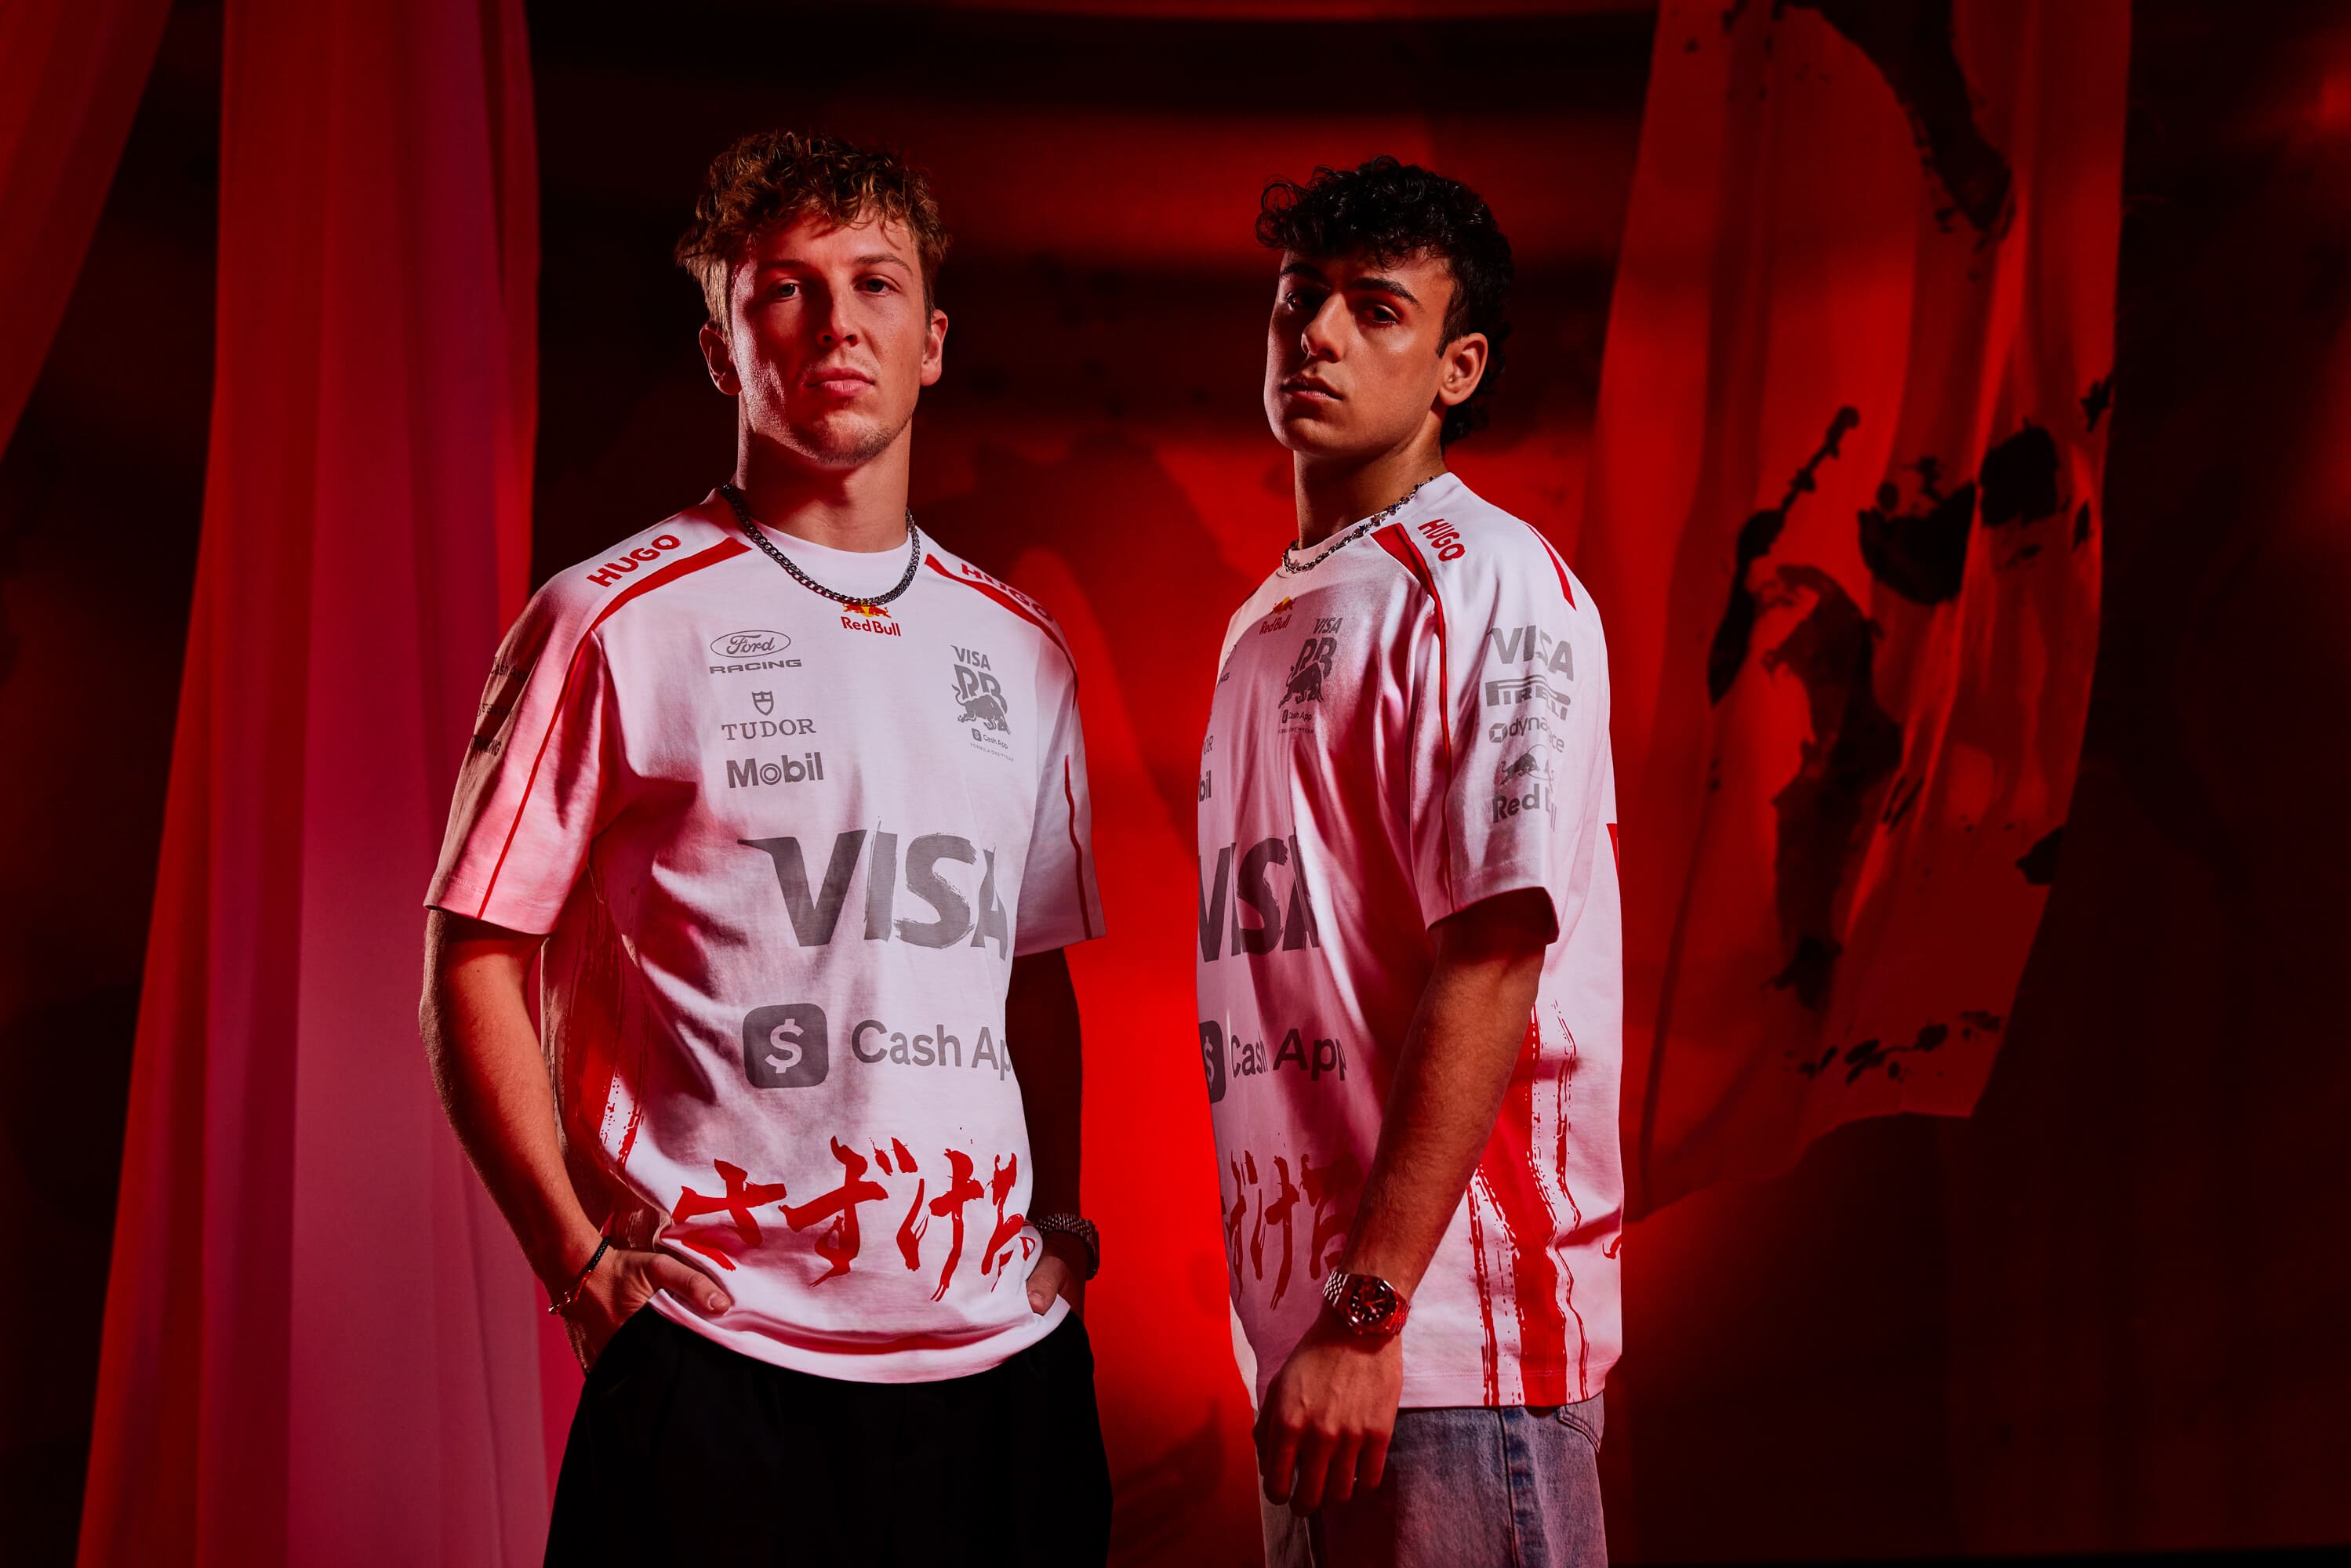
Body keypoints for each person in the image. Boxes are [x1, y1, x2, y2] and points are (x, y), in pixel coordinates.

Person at [418, 129, 1112, 1566]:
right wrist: (577, 1264)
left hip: (1002, 1363)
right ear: (722, 351)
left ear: (932, 342)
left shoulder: (1023, 646)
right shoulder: (608, 618)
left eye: (875, 284)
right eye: (785, 288)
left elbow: (1029, 972)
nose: (836, 322)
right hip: (720, 1356)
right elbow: (473, 953)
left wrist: (1062, 1229)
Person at [1197, 156, 1623, 1567]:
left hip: (1439, 1347)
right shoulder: (1265, 614)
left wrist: (1369, 1312)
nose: (1317, 335)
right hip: (1311, 1346)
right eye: (1298, 298)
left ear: (1458, 368)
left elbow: (1496, 951)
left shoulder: (1488, 581)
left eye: (1375, 309)